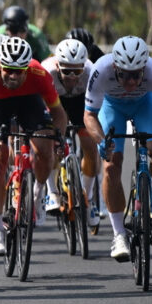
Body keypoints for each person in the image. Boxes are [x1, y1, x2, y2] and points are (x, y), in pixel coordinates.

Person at [0, 37, 67, 255]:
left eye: (19, 71)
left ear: (26, 69)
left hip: (29, 101)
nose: (13, 75)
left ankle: (39, 195)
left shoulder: (39, 74)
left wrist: (59, 137)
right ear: (1, 66)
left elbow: (59, 114)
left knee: (44, 146)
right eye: (8, 70)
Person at [83, 36, 152, 259]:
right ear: (115, 67)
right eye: (124, 75)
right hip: (113, 109)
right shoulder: (100, 70)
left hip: (145, 106)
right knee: (111, 166)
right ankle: (119, 234)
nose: (130, 82)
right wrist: (101, 140)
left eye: (136, 75)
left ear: (143, 68)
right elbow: (89, 116)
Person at [40, 39, 99, 227]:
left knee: (90, 148)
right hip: (55, 102)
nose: (72, 77)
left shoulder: (92, 72)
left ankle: (87, 199)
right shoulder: (46, 71)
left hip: (80, 102)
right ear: (57, 65)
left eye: (77, 71)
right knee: (52, 144)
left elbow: (97, 106)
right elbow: (40, 106)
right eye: (67, 71)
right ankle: (52, 193)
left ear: (84, 67)